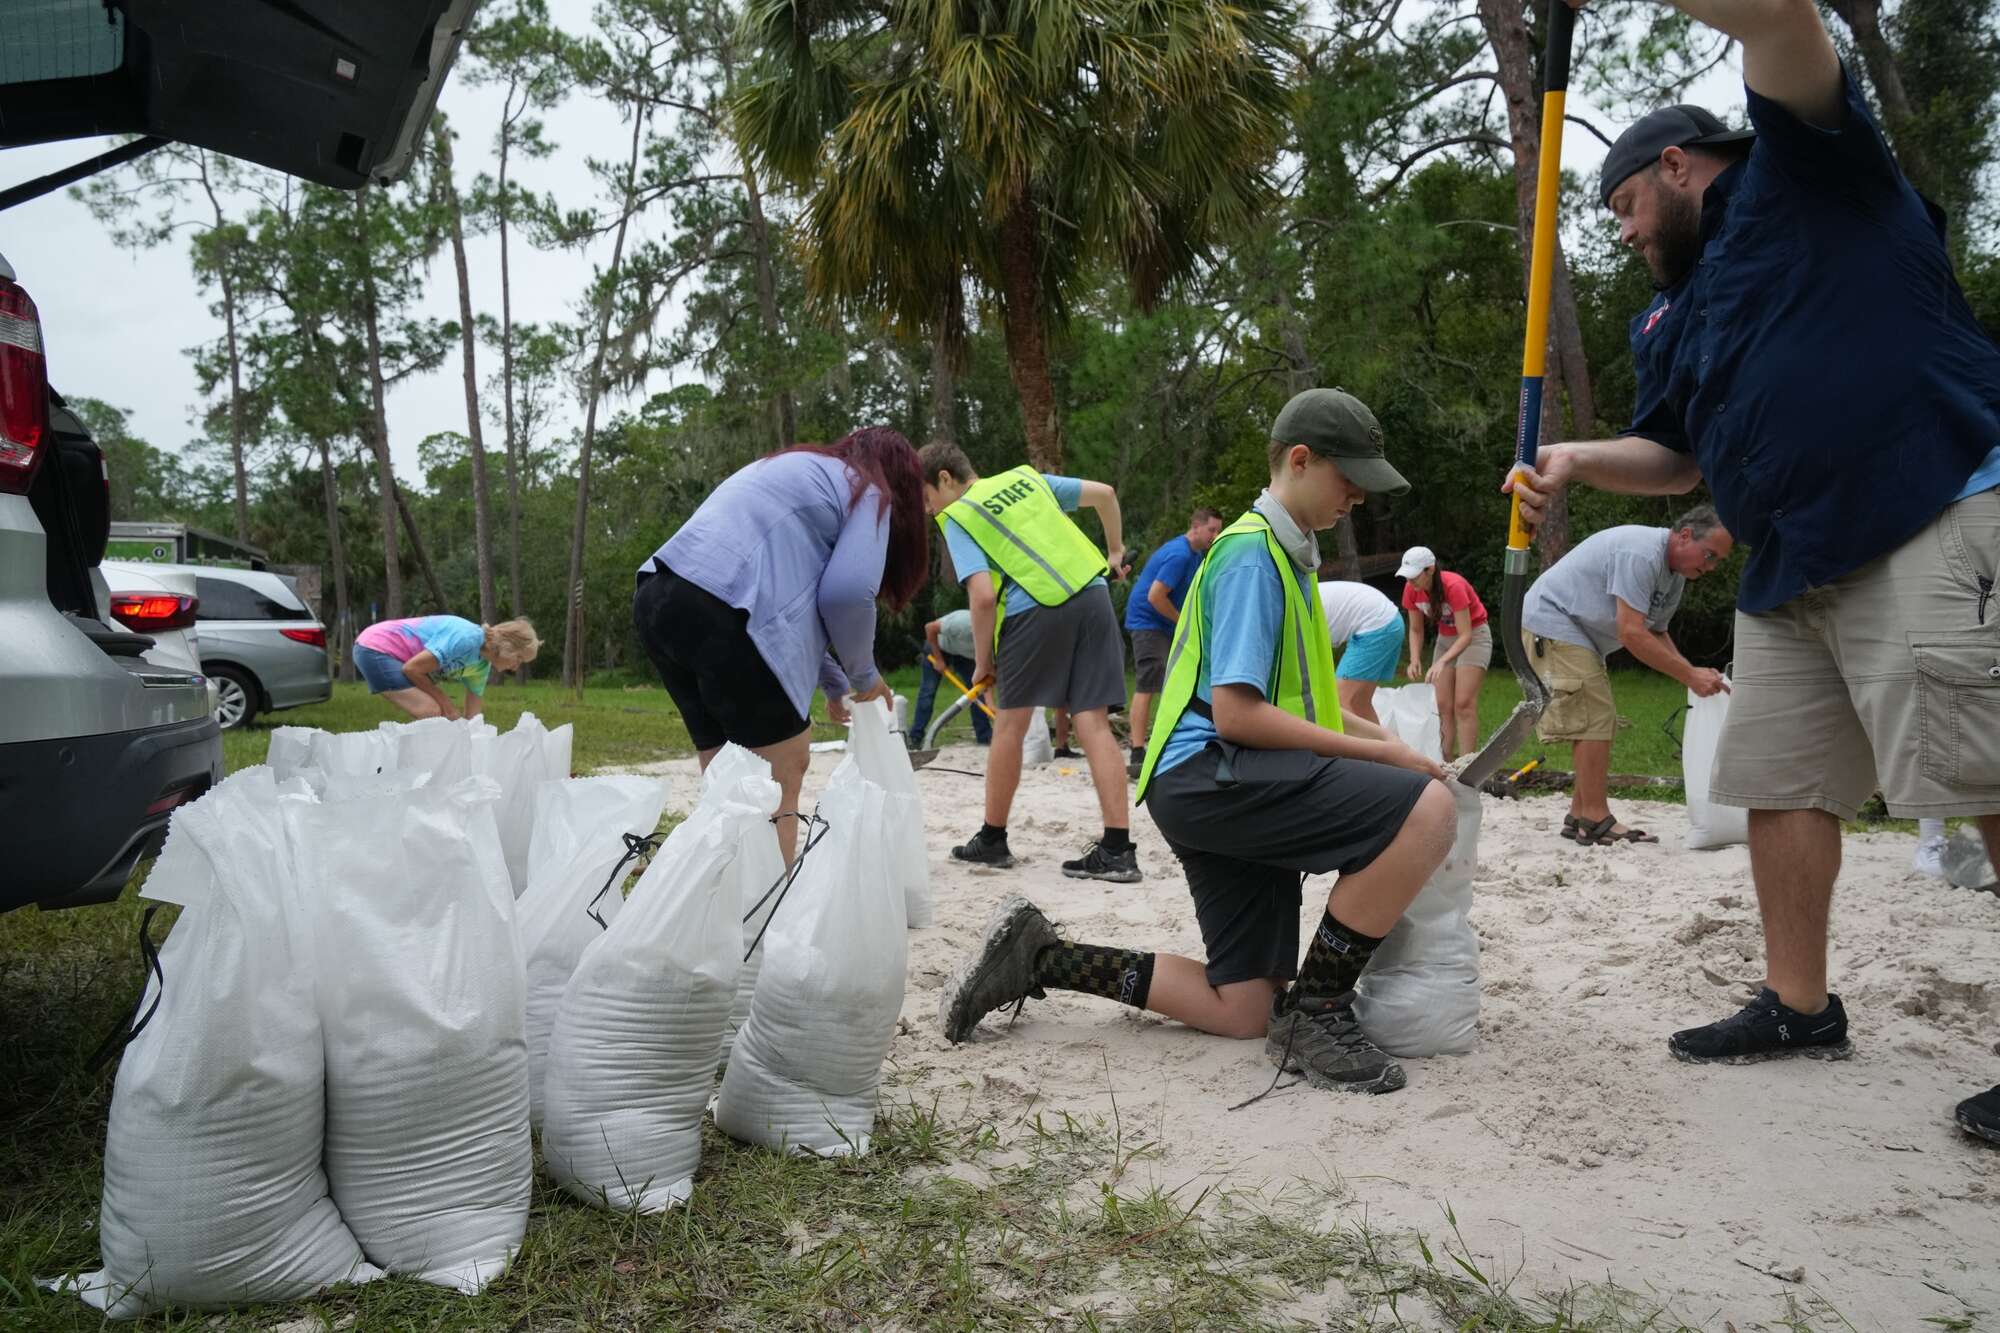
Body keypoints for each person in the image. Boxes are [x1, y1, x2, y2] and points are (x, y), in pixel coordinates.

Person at [1509, 0, 2000, 1145]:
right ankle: (1797, 1005)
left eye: (1628, 205)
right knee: (1777, 781)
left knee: (1986, 768)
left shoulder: (1807, 167)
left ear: (1678, 165)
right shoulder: (1667, 315)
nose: (1625, 233)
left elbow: (1778, 18)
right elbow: (1675, 457)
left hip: (1926, 504)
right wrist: (1578, 457)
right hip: (1786, 565)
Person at [937, 388, 1457, 1096]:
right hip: (1215, 769)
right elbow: (1240, 715)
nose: (1357, 499)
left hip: (1207, 780)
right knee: (1429, 812)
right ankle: (1319, 1007)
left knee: (1242, 1006)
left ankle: (1042, 959)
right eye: (1351, 480)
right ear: (1299, 461)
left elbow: (1309, 708)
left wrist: (1391, 744)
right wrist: (1389, 757)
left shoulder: (1285, 556)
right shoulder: (1252, 555)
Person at [633, 426, 928, 862]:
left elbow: (791, 604)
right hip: (726, 611)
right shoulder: (867, 491)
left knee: (728, 778)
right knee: (781, 773)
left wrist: (834, 683)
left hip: (658, 597)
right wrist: (864, 678)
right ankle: (767, 916)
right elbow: (845, 595)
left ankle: (717, 908)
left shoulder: (793, 468)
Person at [917, 441, 1139, 882]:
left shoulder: (957, 515)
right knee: (1091, 719)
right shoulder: (1026, 478)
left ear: (944, 478)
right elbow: (1106, 494)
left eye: (925, 499)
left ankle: (993, 839)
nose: (927, 511)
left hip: (1035, 605)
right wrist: (1114, 552)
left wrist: (983, 662)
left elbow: (981, 597)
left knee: (1010, 724)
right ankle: (1117, 850)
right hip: (1093, 592)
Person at [1521, 506, 1734, 845]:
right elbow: (1631, 633)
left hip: (1580, 633)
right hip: (1553, 619)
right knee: (1595, 715)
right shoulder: (1641, 553)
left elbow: (1657, 632)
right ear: (1684, 535)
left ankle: (1580, 813)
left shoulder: (1676, 574)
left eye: (1717, 561)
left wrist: (1689, 671)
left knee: (1595, 716)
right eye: (1709, 555)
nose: (1710, 567)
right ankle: (1594, 817)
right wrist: (1689, 676)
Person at [1124, 507, 1226, 778]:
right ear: (1195, 526)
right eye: (1211, 530)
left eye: (1218, 531)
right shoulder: (1180, 555)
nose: (1214, 536)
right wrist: (1184, 623)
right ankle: (1137, 751)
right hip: (1148, 622)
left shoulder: (1195, 555)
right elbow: (1156, 596)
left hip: (1163, 623)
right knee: (1149, 682)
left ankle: (1170, 743)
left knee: (1176, 681)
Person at [1397, 547, 1492, 761]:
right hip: (1446, 638)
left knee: (1463, 703)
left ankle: (1466, 764)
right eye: (1407, 577)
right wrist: (1414, 659)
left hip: (1474, 636)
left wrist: (1441, 662)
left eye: (1414, 577)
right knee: (1442, 704)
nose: (1410, 582)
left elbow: (1466, 635)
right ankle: (1446, 761)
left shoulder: (1453, 585)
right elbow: (1415, 629)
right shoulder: (1411, 590)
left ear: (1430, 570)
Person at [353, 616, 539, 721]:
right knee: (431, 710)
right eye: (519, 659)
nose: (516, 668)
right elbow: (412, 669)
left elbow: (472, 718)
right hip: (375, 647)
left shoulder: (481, 666)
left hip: (389, 654)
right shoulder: (468, 639)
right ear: (508, 647)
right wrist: (446, 703)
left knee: (440, 717)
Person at [1317, 579, 1404, 726]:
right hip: (1390, 620)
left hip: (1377, 625)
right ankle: (1388, 748)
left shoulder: (1285, 610)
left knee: (1338, 700)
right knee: (1359, 703)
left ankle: (1362, 749)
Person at [912, 608, 993, 746]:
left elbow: (985, 676)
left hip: (965, 656)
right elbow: (929, 628)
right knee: (928, 692)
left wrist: (990, 704)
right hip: (938, 647)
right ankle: (915, 737)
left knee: (975, 692)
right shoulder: (963, 623)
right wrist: (938, 660)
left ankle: (984, 736)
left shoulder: (993, 641)